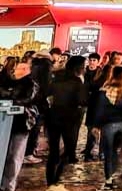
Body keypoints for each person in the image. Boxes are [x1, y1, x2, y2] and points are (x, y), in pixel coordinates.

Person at [46, 54, 88, 191]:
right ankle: (56, 178)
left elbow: (47, 94)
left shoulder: (57, 77)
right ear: (79, 67)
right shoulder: (77, 82)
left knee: (53, 151)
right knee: (69, 149)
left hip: (53, 116)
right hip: (69, 118)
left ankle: (50, 181)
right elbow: (82, 101)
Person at [94, 65, 122, 187]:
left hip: (108, 125)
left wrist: (96, 125)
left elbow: (99, 110)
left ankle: (108, 178)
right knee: (117, 150)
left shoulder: (104, 90)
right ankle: (115, 171)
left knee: (109, 152)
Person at [0, 55, 38, 191]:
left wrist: (10, 99)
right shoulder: (4, 80)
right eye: (19, 67)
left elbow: (27, 99)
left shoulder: (30, 84)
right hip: (3, 123)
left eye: (24, 68)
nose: (20, 70)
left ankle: (8, 185)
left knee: (15, 155)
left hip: (21, 123)